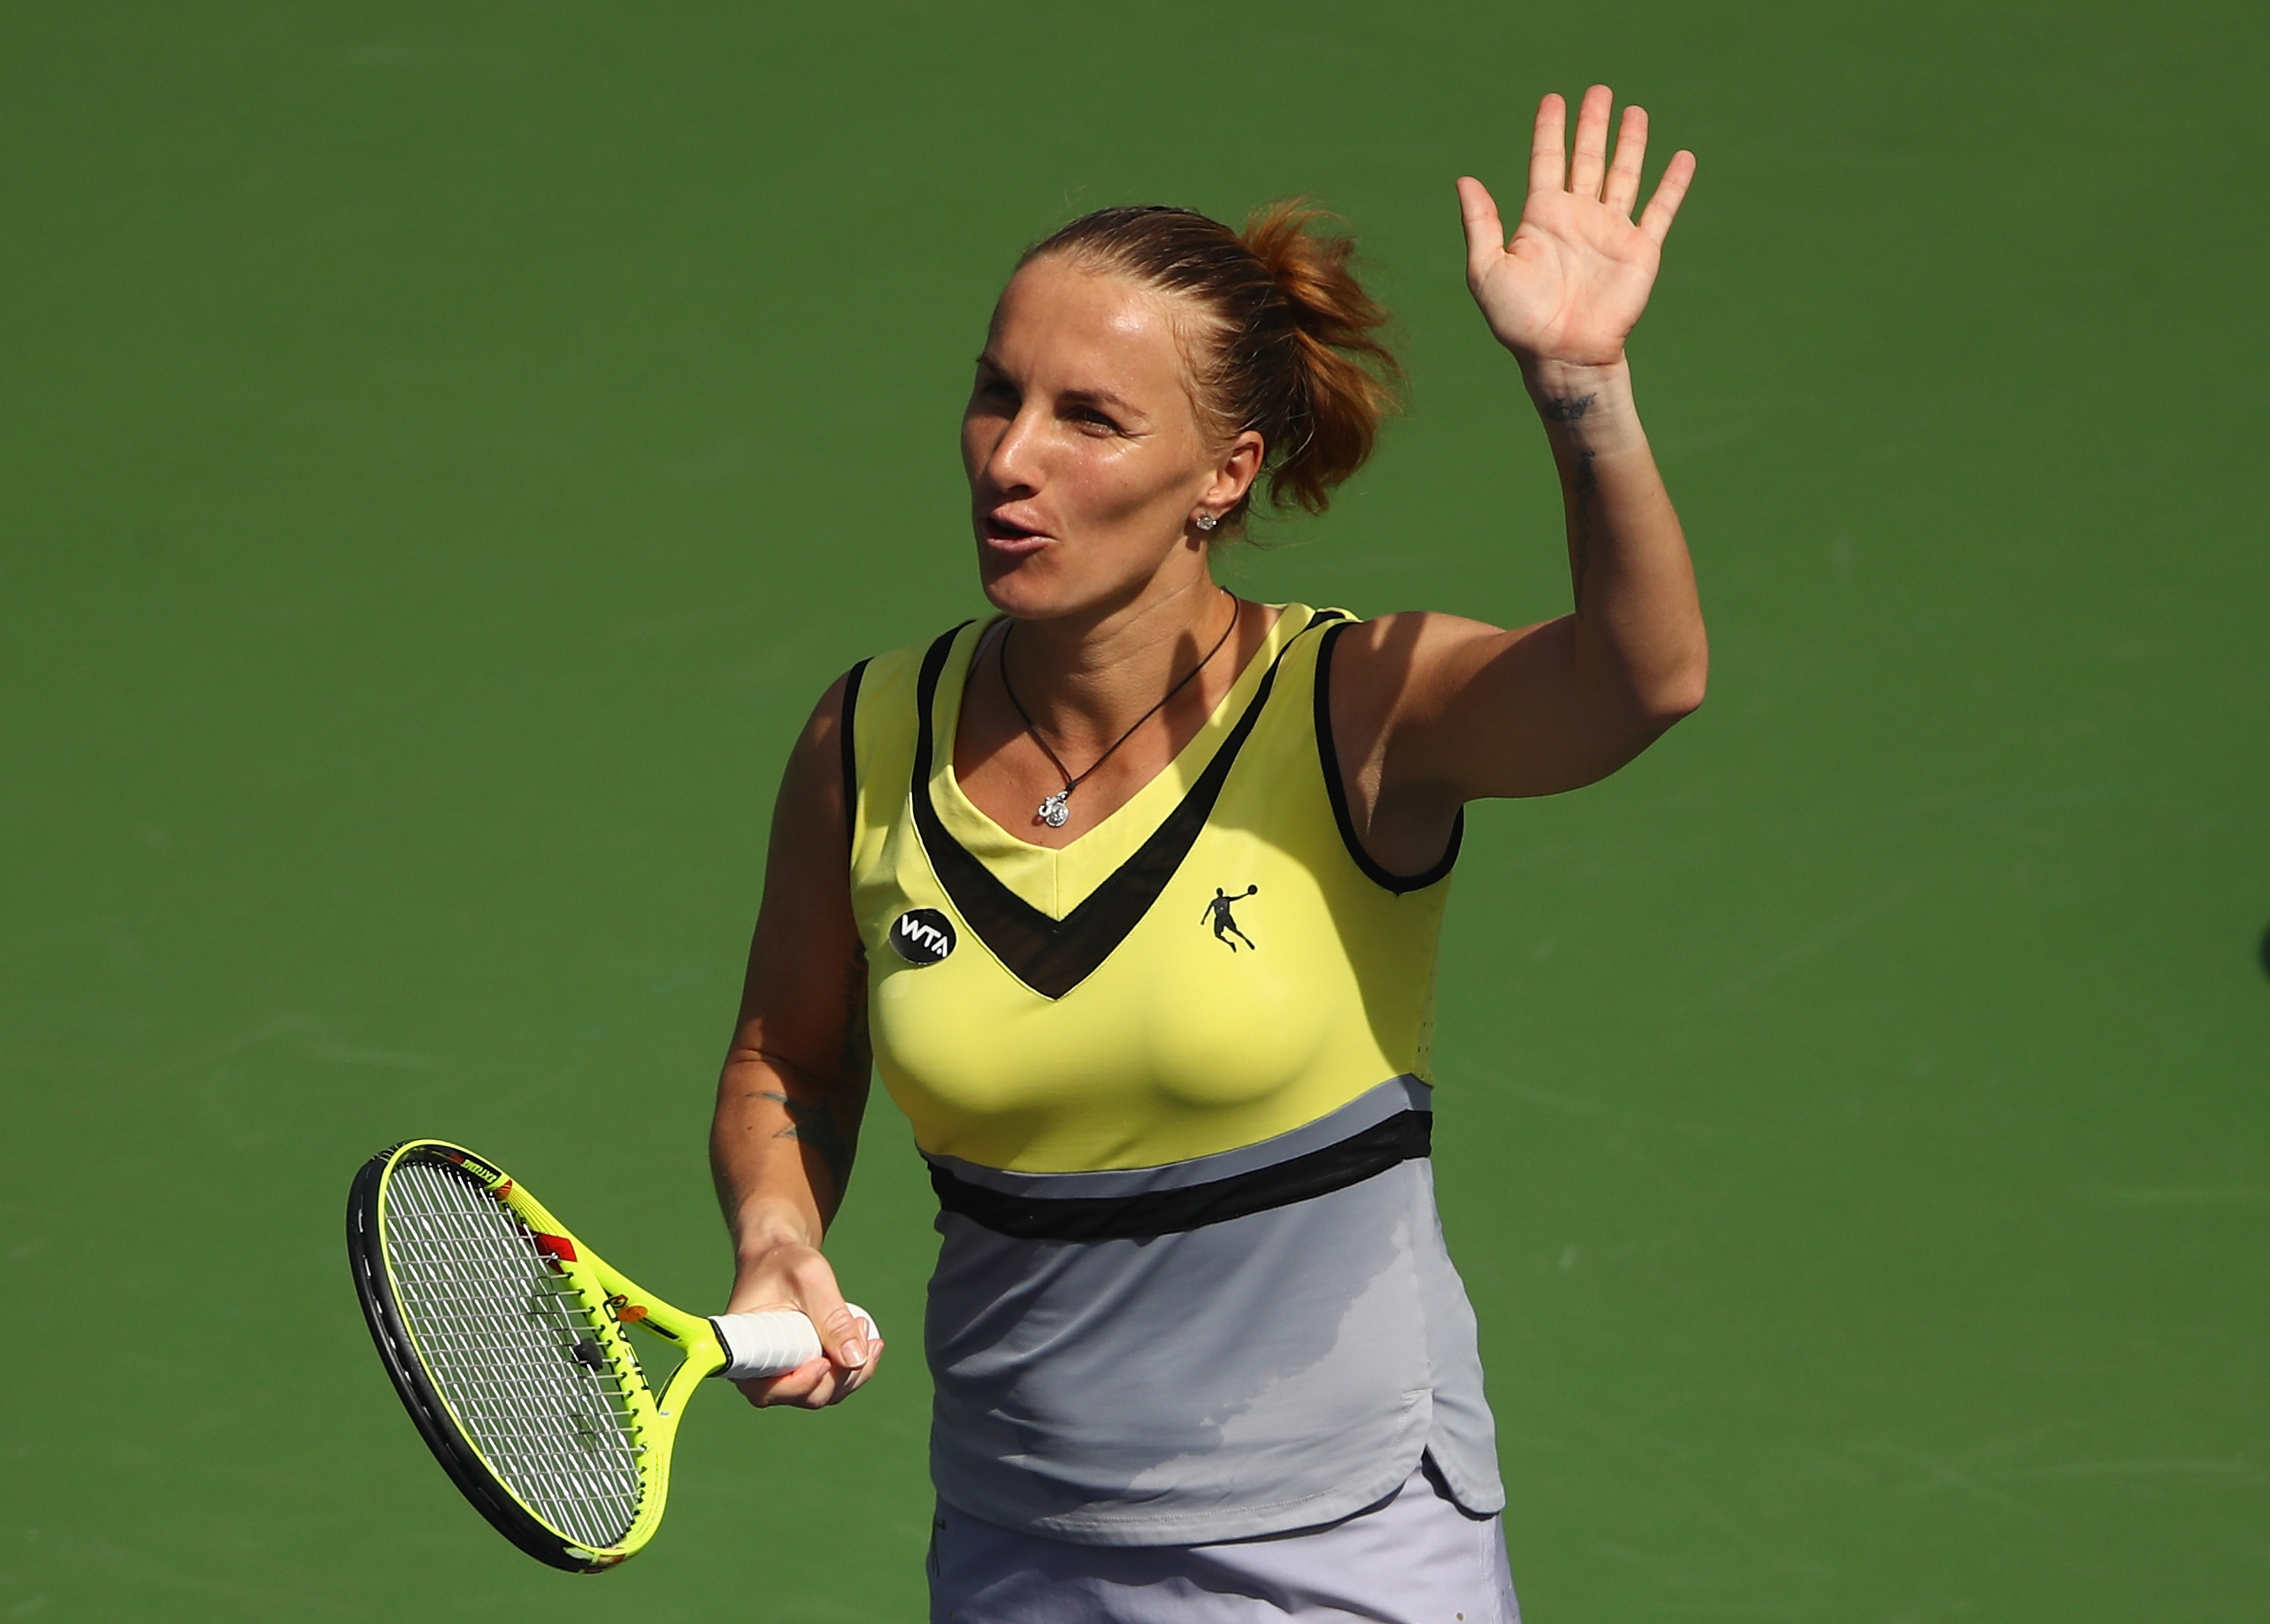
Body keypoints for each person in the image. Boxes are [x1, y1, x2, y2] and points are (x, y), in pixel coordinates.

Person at [709, 84, 1701, 1623]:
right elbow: (791, 1054)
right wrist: (780, 1237)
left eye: (1088, 419)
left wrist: (1579, 386)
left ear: (1225, 474)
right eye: (995, 393)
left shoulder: (1354, 712)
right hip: (1017, 1543)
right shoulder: (869, 740)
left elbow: (1640, 681)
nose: (1007, 459)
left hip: (1347, 1541)